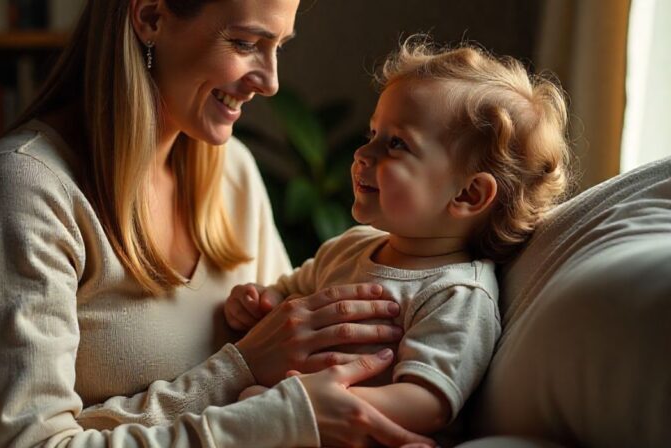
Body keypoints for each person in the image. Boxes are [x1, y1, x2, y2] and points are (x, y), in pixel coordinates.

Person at [0, 1, 437, 447]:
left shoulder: (233, 174)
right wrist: (244, 372)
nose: (271, 82)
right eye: (245, 43)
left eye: (279, 46)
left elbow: (283, 378)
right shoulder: (26, 189)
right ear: (151, 16)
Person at [225, 37, 573, 435]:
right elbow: (289, 297)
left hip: (355, 432)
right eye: (372, 134)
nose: (362, 154)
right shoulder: (349, 247)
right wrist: (260, 303)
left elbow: (427, 402)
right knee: (247, 399)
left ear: (468, 194)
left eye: (395, 144)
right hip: (290, 411)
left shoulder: (455, 293)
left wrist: (311, 403)